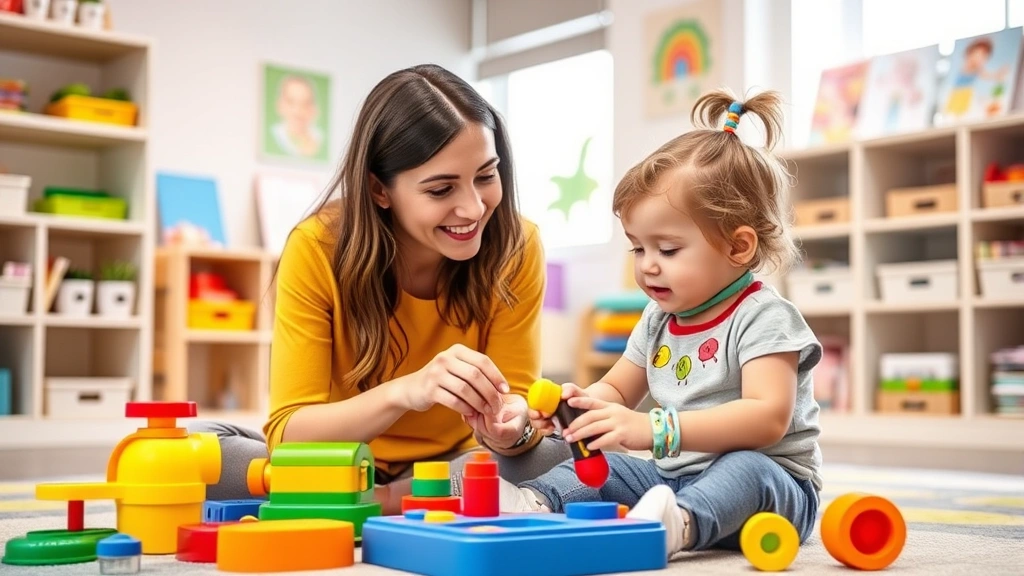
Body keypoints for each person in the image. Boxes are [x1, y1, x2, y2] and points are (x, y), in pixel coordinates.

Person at [192, 64, 569, 512]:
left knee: (557, 458)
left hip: (457, 462)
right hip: (340, 457)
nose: (473, 206)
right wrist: (406, 391)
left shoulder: (516, 244)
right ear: (379, 189)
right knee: (201, 454)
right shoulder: (317, 247)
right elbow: (288, 435)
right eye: (441, 188)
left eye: (486, 176)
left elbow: (518, 407)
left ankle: (373, 501)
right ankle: (405, 498)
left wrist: (513, 428)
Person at [499, 89, 823, 559]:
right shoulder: (658, 318)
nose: (648, 265)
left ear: (738, 247)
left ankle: (680, 525)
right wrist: (579, 408)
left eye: (667, 250)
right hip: (673, 476)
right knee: (610, 465)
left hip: (776, 488)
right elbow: (617, 391)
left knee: (747, 469)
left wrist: (655, 430)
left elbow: (767, 418)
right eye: (638, 248)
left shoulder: (765, 317)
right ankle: (535, 502)